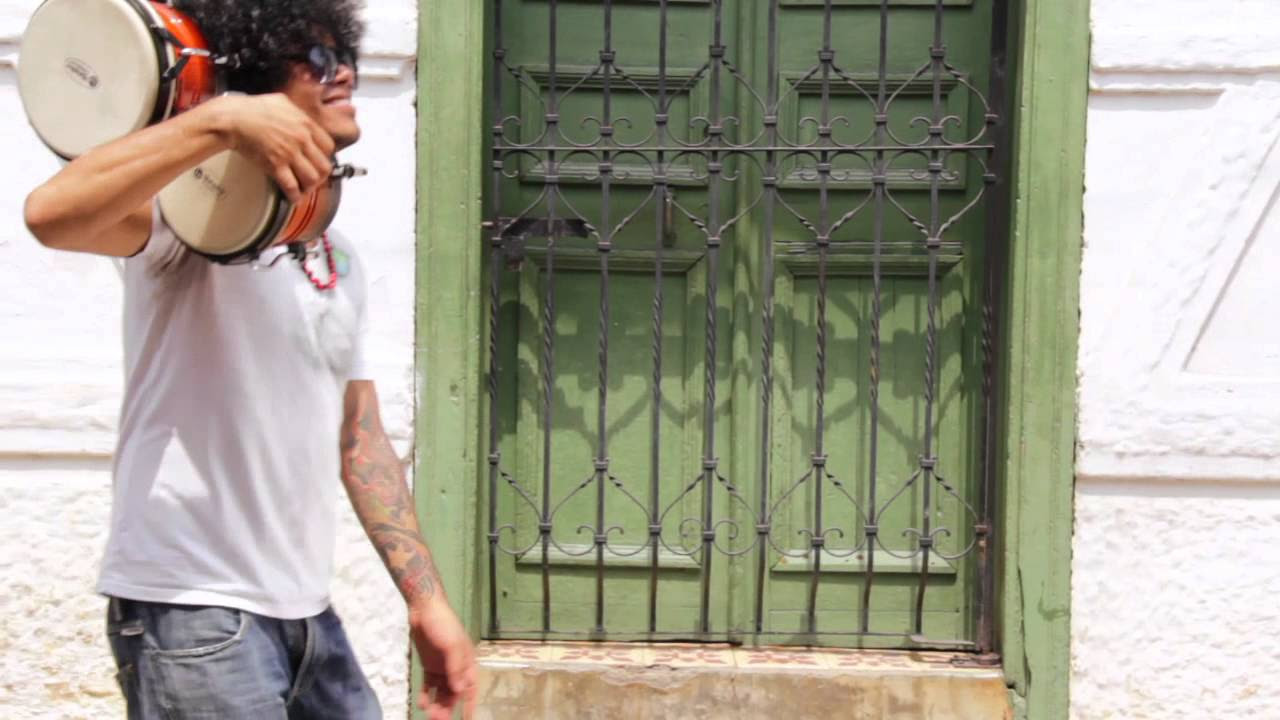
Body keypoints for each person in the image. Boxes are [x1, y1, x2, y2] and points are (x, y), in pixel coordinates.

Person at [21, 1, 476, 718]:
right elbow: (51, 215)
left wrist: (427, 602)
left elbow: (359, 438)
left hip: (308, 615)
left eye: (345, 55)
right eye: (317, 60)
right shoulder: (183, 223)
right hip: (192, 611)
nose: (344, 73)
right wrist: (217, 121)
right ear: (259, 81)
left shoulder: (339, 259)